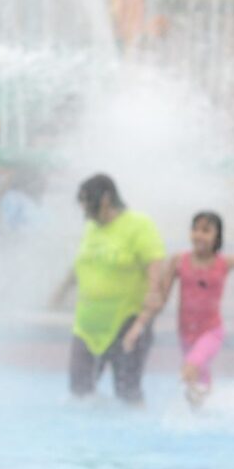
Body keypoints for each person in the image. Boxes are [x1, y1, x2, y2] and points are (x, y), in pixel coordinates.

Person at [51, 174, 166, 405]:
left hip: (127, 323)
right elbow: (80, 265)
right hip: (87, 326)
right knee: (79, 395)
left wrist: (142, 322)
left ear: (105, 199)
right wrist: (61, 291)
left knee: (127, 394)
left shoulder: (139, 225)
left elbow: (156, 280)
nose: (83, 209)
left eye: (86, 201)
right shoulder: (92, 228)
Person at [123, 211, 234, 408]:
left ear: (217, 236)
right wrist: (137, 327)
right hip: (186, 334)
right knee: (197, 381)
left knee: (190, 369)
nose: (198, 235)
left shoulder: (224, 263)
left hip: (212, 331)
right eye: (195, 229)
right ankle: (206, 413)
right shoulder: (179, 261)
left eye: (206, 231)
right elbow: (160, 299)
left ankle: (197, 412)